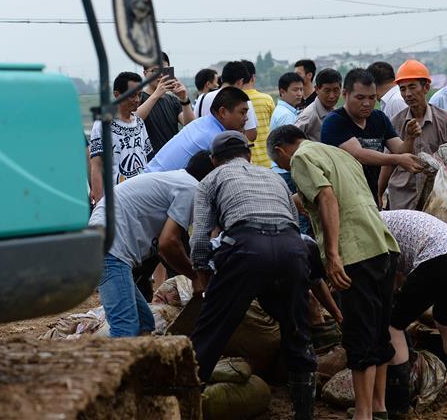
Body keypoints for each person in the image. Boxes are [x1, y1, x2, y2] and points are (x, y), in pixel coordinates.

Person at [267, 125, 400, 420]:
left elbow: (327, 198)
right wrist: (303, 200)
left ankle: (362, 414)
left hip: (355, 252)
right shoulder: (339, 154)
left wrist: (334, 256)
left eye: (281, 165)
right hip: (382, 246)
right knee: (378, 332)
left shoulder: (301, 158)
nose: (287, 168)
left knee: (359, 334)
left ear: (281, 150)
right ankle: (378, 407)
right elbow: (344, 195)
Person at [189, 131, 317, 419]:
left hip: (246, 249)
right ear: (248, 154)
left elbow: (198, 240)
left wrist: (206, 284)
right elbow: (293, 223)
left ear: (213, 160)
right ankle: (305, 412)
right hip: (291, 249)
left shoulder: (211, 179)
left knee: (209, 334)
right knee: (297, 332)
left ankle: (185, 405)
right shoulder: (274, 178)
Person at [88, 152, 213, 337]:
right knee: (125, 329)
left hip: (109, 245)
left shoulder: (180, 181)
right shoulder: (191, 188)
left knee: (144, 321)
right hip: (110, 249)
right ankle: (117, 365)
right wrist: (195, 277)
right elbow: (168, 244)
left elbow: (172, 245)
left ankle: (143, 364)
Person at [381, 210, 447, 413]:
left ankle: (397, 404)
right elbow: (398, 275)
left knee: (394, 325)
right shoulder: (391, 218)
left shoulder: (373, 227)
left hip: (440, 259)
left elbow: (387, 276)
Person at [320, 69, 423, 201]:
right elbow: (359, 154)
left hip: (370, 197)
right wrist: (398, 159)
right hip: (343, 199)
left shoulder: (378, 118)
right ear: (345, 94)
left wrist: (410, 137)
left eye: (372, 97)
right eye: (360, 98)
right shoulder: (334, 121)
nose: (367, 103)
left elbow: (400, 150)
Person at [380, 60, 447, 210]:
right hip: (402, 198)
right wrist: (378, 193)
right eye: (403, 89)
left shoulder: (445, 121)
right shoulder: (395, 122)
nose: (407, 94)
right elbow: (388, 164)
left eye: (412, 87)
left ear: (426, 87)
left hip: (436, 201)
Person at [145, 87, 249, 173]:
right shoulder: (216, 140)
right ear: (223, 112)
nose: (246, 118)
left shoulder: (202, 123)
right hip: (154, 191)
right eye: (242, 112)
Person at [89, 71, 153, 204]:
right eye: (132, 95)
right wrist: (101, 206)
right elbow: (96, 166)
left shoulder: (139, 122)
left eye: (139, 95)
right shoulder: (103, 124)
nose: (137, 100)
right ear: (117, 95)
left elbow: (148, 159)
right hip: (117, 199)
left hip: (142, 196)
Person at [271, 72, 313, 235]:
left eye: (301, 90)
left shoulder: (285, 111)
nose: (300, 94)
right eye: (295, 90)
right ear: (282, 92)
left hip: (282, 171)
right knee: (300, 216)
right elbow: (293, 150)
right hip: (288, 172)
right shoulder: (286, 116)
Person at [138, 53, 195, 157]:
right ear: (145, 73)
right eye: (155, 71)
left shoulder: (173, 101)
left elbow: (190, 125)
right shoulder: (138, 99)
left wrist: (184, 98)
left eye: (164, 70)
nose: (160, 75)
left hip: (172, 159)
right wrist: (156, 95)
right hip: (148, 163)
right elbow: (135, 120)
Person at [194, 61, 259, 143]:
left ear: (221, 79)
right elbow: (252, 135)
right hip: (227, 152)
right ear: (240, 81)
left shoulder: (202, 98)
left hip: (203, 150)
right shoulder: (242, 101)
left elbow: (194, 123)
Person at [242, 59, 276, 168]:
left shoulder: (234, 101)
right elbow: (274, 127)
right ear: (253, 78)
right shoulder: (267, 99)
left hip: (246, 162)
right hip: (268, 161)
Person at [294, 68, 342, 142]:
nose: (332, 96)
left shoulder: (336, 112)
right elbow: (291, 141)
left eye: (336, 90)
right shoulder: (308, 116)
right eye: (327, 91)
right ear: (316, 89)